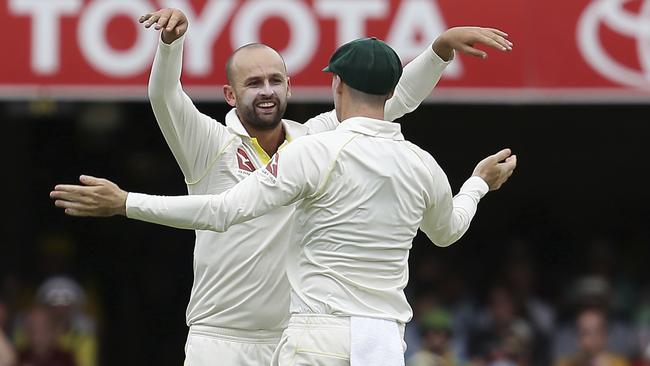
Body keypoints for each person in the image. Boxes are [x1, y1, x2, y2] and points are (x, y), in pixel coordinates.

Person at [54, 7, 513, 365]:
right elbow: (164, 97)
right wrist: (171, 46)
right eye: (253, 83)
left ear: (291, 88)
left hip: (294, 337)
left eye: (275, 80)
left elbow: (391, 100)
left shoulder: (314, 140)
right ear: (231, 95)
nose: (266, 90)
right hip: (221, 336)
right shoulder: (208, 145)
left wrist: (438, 51)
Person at [553, 308, 630, 366]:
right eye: (585, 333)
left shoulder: (620, 363)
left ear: (604, 335)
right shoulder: (565, 364)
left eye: (596, 331)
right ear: (577, 337)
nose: (592, 338)